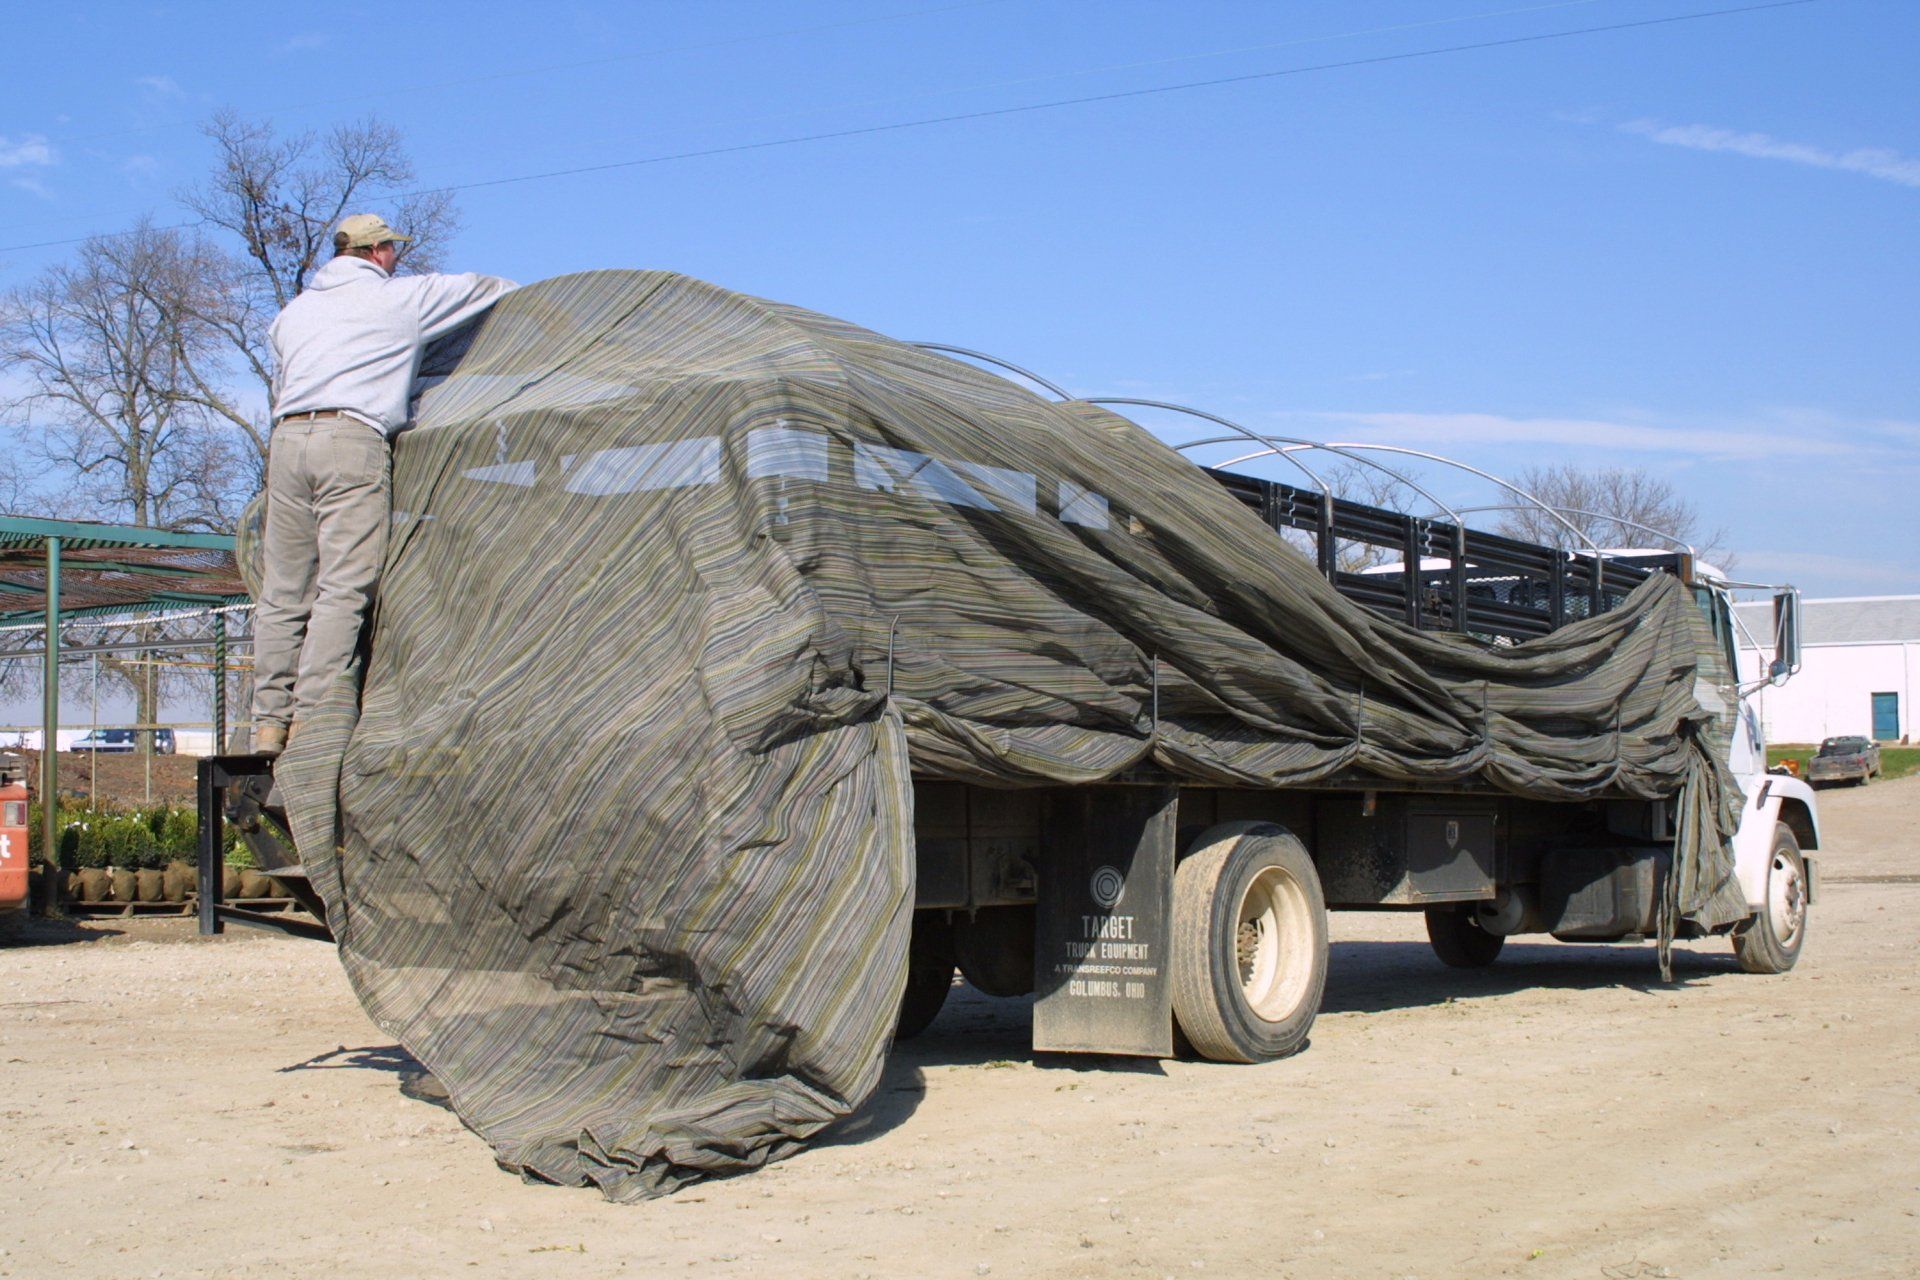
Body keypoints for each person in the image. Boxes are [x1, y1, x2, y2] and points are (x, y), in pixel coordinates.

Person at [251, 213, 516, 755]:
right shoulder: (402, 298)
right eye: (393, 249)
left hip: (285, 442)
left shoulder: (292, 314)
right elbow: (496, 290)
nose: (397, 257)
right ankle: (316, 721)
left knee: (282, 593)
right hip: (351, 440)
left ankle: (267, 723)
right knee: (344, 587)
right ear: (378, 253)